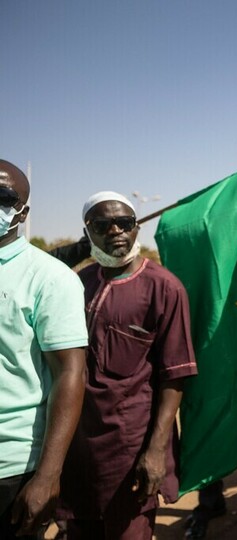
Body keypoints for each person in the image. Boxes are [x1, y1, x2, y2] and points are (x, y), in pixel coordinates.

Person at [57, 191, 198, 539]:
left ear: (136, 228)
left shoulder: (164, 287)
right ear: (87, 232)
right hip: (78, 450)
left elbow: (175, 376)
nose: (116, 231)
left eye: (124, 222)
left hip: (129, 450)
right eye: (102, 225)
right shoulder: (77, 284)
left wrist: (156, 452)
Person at [0, 160, 88, 539]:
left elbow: (71, 373)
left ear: (22, 211)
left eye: (3, 197)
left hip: (11, 468)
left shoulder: (50, 277)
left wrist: (49, 474)